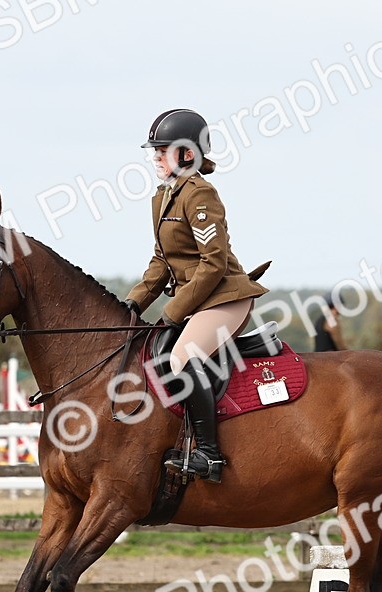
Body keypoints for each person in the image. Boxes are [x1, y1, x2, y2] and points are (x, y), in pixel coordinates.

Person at [124, 108, 267, 483]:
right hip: (199, 302)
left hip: (225, 298)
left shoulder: (200, 194)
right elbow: (161, 261)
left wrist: (173, 311)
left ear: (188, 154)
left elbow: (213, 264)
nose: (155, 157)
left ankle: (209, 455)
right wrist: (133, 302)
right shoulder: (163, 197)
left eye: (162, 150)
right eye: (154, 150)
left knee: (182, 356)